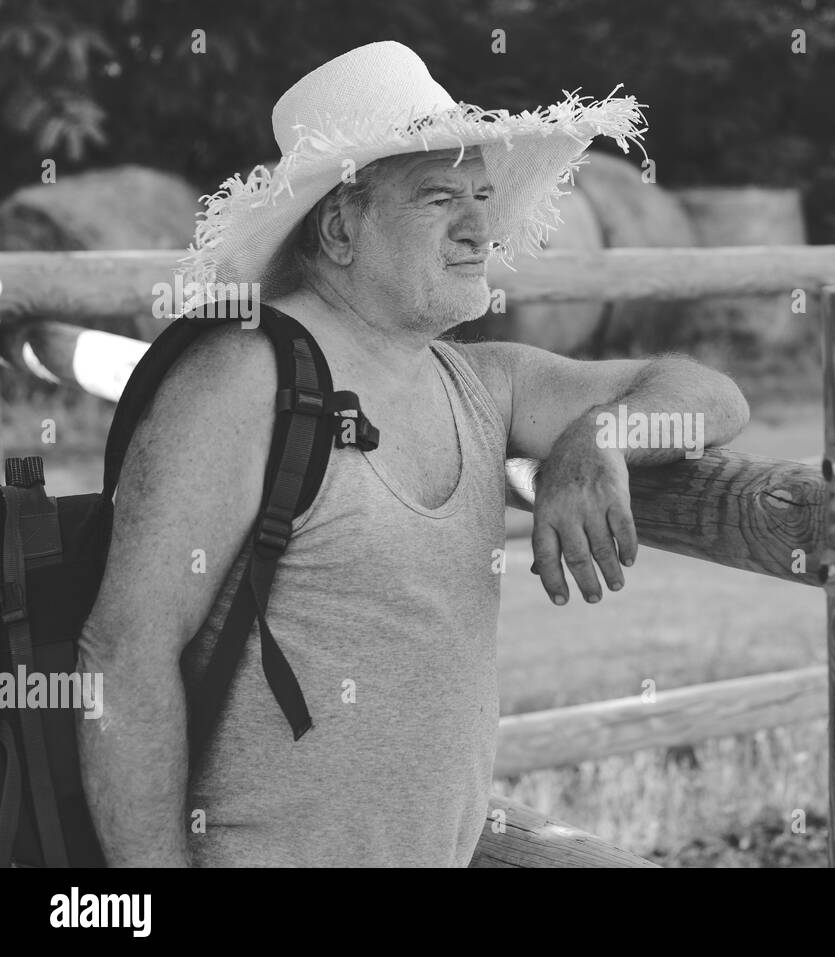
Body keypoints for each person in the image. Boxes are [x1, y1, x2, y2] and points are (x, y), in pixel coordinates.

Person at [77, 41, 748, 867]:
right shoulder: (241, 382)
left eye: (482, 195)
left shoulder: (482, 382)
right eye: (439, 198)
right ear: (340, 226)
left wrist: (603, 434)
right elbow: (122, 654)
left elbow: (711, 396)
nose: (481, 228)